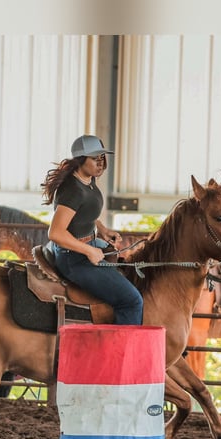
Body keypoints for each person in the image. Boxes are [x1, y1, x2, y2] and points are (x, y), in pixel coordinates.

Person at [42, 134, 144, 325]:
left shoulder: (88, 179)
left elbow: (84, 211)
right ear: (81, 160)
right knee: (132, 301)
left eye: (102, 158)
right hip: (73, 258)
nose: (100, 164)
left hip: (87, 243)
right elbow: (55, 233)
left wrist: (102, 229)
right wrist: (89, 250)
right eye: (95, 159)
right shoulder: (73, 190)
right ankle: (123, 353)